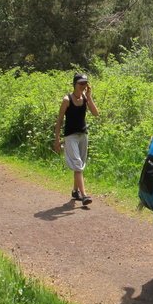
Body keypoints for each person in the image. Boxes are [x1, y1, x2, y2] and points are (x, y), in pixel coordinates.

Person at [53, 73, 100, 205]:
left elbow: (95, 113)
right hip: (70, 136)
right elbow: (59, 120)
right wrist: (57, 139)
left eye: (85, 83)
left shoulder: (85, 97)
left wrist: (89, 97)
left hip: (83, 135)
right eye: (80, 83)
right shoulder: (67, 99)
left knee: (79, 165)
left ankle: (75, 191)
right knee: (78, 164)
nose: (83, 86)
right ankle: (84, 195)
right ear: (75, 84)